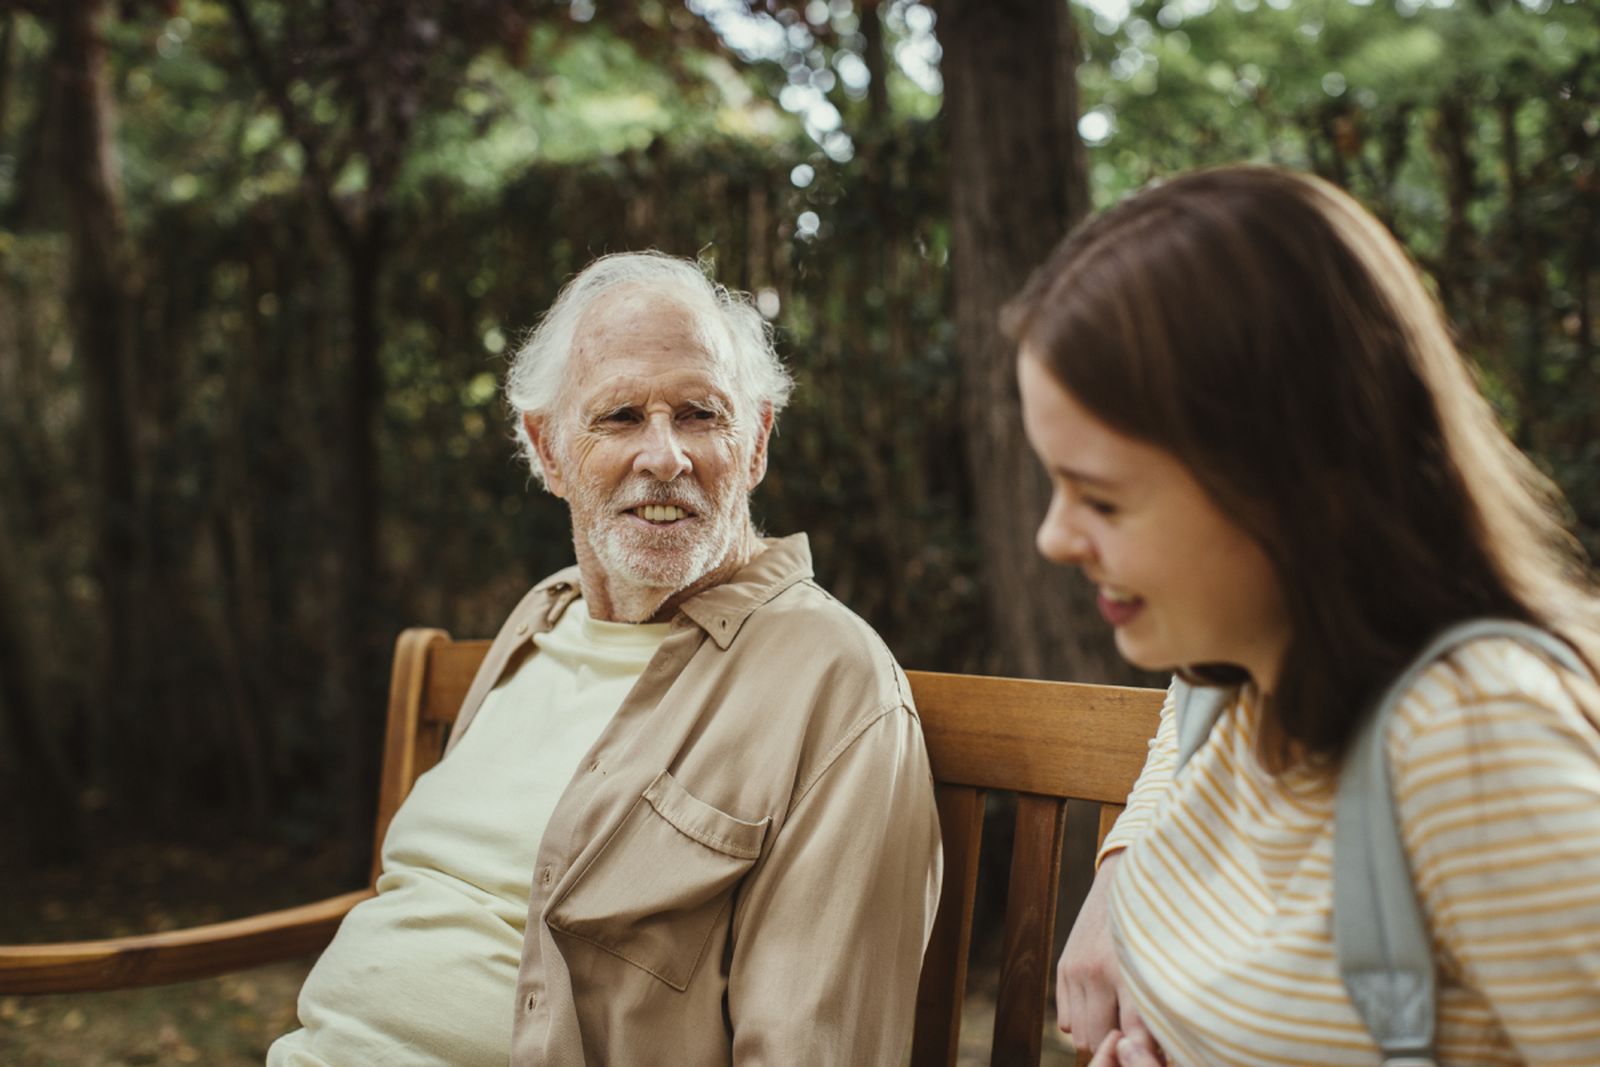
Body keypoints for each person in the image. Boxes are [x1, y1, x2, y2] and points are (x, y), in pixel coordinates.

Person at [268, 252, 943, 1066]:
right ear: (547, 450)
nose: (665, 455)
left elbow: (817, 1047)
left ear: (757, 440)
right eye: (620, 416)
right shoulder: (540, 617)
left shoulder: (833, 680)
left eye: (699, 413)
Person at [1005, 165, 1600, 1066]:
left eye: (1104, 500)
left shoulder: (1471, 739)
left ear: (1297, 488)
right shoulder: (1236, 680)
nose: (1054, 536)